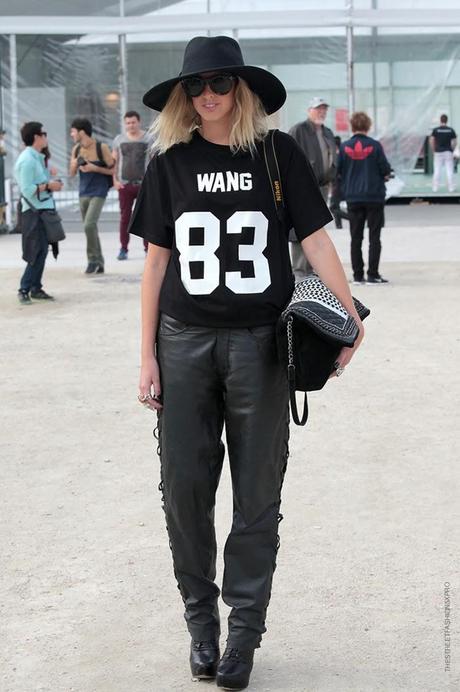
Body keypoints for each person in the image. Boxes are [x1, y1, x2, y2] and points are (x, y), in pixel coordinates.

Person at [129, 35, 364, 691]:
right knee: (184, 493)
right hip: (183, 341)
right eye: (196, 86)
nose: (208, 96)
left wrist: (347, 314)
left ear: (243, 89)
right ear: (184, 94)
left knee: (258, 496)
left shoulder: (277, 153)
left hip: (261, 344)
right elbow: (155, 264)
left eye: (221, 83)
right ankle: (201, 628)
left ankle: (243, 638)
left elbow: (315, 238)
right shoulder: (170, 161)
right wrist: (145, 355)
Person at [337, 111, 392, 285]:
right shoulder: (375, 146)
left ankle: (358, 275)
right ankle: (373, 274)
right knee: (374, 237)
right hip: (374, 197)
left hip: (353, 197)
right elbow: (385, 169)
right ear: (368, 126)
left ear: (352, 126)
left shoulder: (344, 147)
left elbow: (338, 171)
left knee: (356, 237)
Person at [14, 121, 63, 304]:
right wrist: (49, 185)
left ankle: (35, 287)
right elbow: (27, 189)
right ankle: (24, 288)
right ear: (36, 137)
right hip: (34, 213)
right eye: (44, 133)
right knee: (36, 251)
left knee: (42, 250)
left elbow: (39, 183)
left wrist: (51, 181)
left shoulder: (37, 157)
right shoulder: (27, 160)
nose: (46, 137)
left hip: (42, 211)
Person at [288, 97, 337, 280]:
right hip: (304, 187)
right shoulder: (299, 130)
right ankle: (300, 271)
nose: (321, 112)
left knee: (316, 228)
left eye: (324, 109)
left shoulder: (328, 132)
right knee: (302, 227)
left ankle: (311, 269)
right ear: (309, 110)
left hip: (323, 187)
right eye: (318, 109)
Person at [69, 117, 114, 274]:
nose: (71, 134)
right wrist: (74, 165)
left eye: (73, 131)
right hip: (83, 192)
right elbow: (71, 174)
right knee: (91, 228)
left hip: (99, 191)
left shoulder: (102, 148)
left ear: (82, 132)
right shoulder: (76, 149)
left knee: (89, 224)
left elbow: (113, 170)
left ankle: (91, 261)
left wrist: (94, 168)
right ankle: (99, 262)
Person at [112, 110, 151, 260]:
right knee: (125, 218)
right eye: (128, 123)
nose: (131, 125)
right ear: (124, 124)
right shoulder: (119, 140)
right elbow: (114, 161)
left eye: (133, 122)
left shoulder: (149, 138)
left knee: (146, 218)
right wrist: (114, 180)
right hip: (124, 185)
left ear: (139, 122)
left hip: (144, 185)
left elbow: (154, 160)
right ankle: (123, 248)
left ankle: (148, 249)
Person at [430, 114, 457, 192]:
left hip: (438, 152)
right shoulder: (451, 130)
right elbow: (454, 142)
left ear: (440, 120)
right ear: (446, 120)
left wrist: (433, 150)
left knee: (437, 170)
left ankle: (435, 188)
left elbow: (431, 140)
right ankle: (451, 188)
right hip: (448, 152)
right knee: (449, 170)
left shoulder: (436, 130)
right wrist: (452, 149)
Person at [329, 135, 350, 229]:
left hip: (338, 185)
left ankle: (352, 218)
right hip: (341, 185)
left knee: (333, 207)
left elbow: (336, 171)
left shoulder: (337, 156)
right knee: (335, 206)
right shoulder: (343, 154)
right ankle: (339, 226)